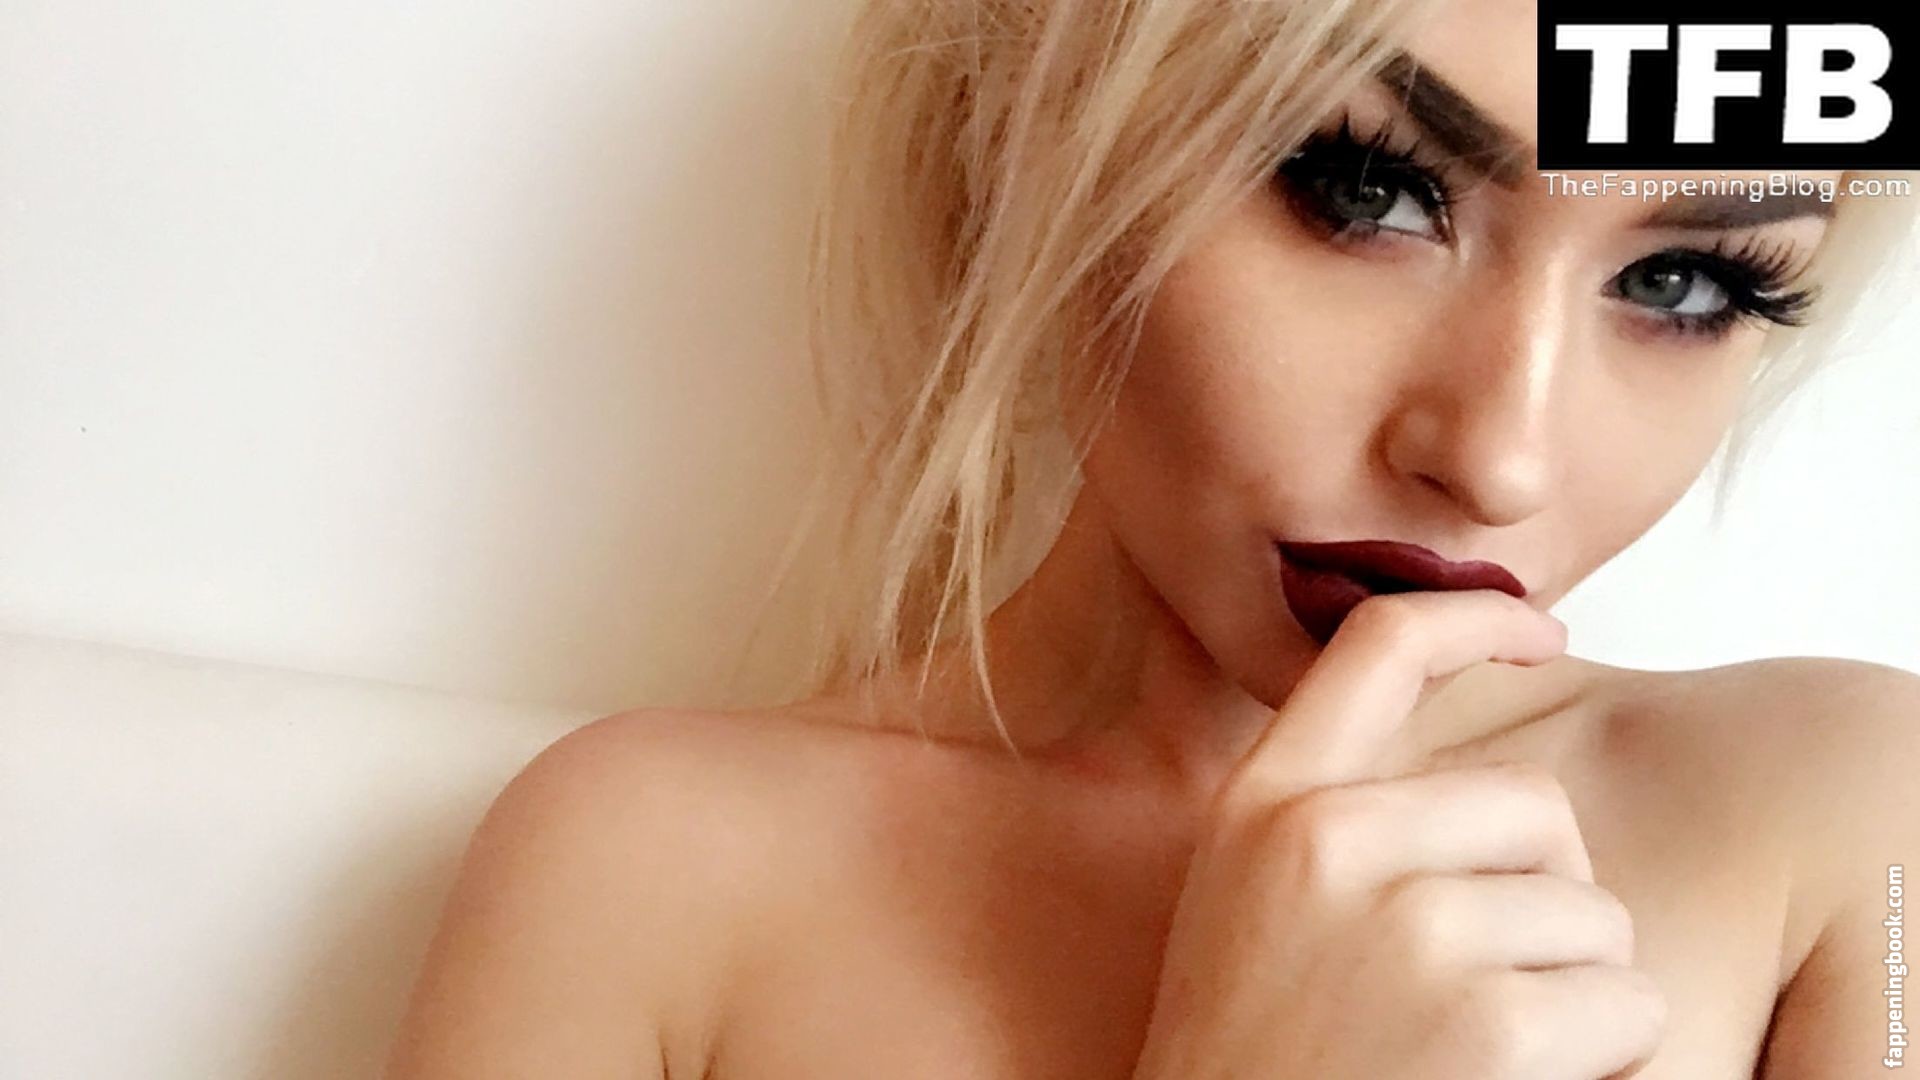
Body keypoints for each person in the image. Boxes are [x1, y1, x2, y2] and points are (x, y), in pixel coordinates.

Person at [383, 0, 1920, 1076]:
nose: (1497, 457)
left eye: (1683, 285)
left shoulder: (1853, 826)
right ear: (1033, 131)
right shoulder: (655, 868)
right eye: (1368, 190)